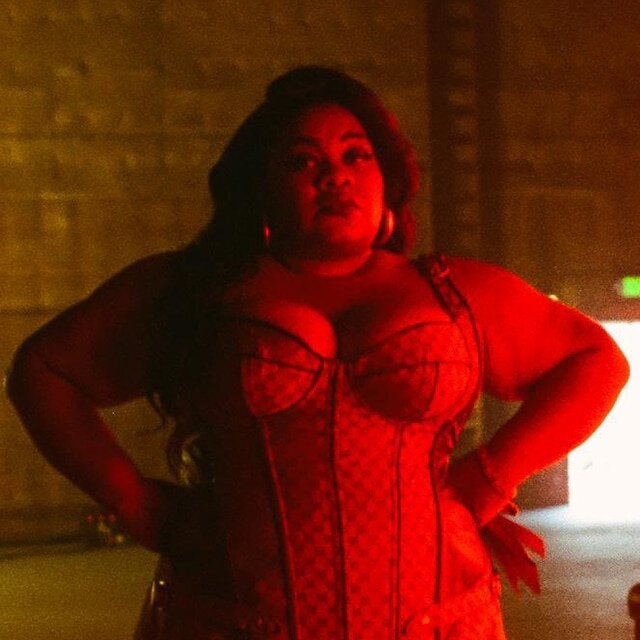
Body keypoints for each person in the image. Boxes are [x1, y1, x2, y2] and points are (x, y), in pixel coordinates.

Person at [7, 66, 629, 640]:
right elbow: (44, 370)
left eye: (355, 155)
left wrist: (493, 472)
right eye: (302, 161)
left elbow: (598, 361)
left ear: (387, 180)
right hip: (228, 619)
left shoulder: (454, 291)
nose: (335, 176)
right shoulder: (198, 289)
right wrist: (131, 499)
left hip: (441, 620)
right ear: (260, 189)